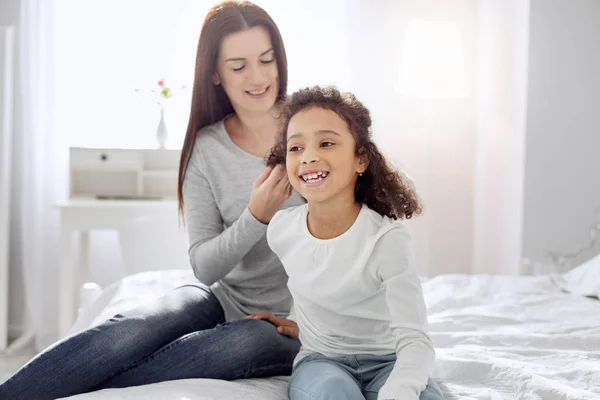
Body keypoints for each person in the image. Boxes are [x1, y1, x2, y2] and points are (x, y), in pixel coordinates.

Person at [0, 1, 304, 399]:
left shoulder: (313, 131)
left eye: (266, 60)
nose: (258, 76)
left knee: (246, 341)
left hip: (294, 320)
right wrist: (255, 217)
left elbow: (354, 240)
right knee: (136, 327)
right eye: (238, 65)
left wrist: (307, 320)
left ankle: (75, 385)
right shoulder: (206, 148)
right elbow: (204, 267)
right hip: (222, 297)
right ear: (214, 72)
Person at [247, 86, 445, 400]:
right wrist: (298, 322)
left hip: (389, 361)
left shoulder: (386, 239)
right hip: (322, 362)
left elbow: (416, 340)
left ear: (361, 160)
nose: (309, 156)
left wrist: (400, 389)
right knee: (333, 393)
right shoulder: (282, 230)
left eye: (326, 143)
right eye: (295, 148)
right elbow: (310, 280)